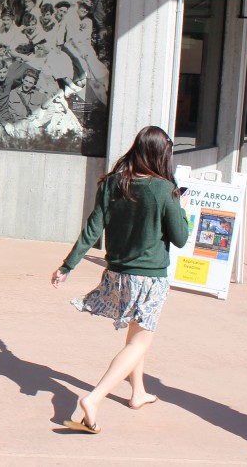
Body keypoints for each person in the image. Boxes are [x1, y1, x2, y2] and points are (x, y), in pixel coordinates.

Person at [51, 126, 190, 434]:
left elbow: (92, 228)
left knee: (134, 335)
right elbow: (180, 238)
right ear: (159, 154)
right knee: (141, 340)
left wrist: (67, 265)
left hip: (117, 274)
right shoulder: (165, 189)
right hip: (149, 278)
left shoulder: (113, 182)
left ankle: (137, 392)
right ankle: (94, 397)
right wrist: (181, 210)